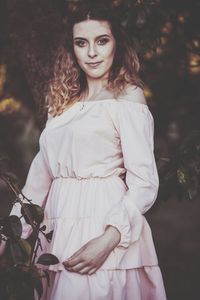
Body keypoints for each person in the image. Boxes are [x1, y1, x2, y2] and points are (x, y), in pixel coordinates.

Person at [7, 3, 167, 299]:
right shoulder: (60, 103)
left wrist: (109, 239)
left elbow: (144, 183)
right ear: (72, 49)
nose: (92, 52)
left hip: (103, 226)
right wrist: (9, 233)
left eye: (101, 41)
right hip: (56, 231)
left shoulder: (128, 96)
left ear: (116, 44)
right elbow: (39, 181)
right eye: (82, 43)